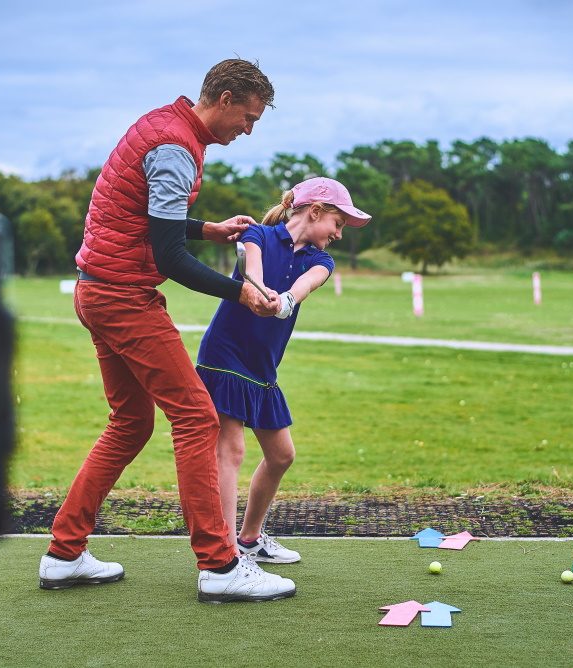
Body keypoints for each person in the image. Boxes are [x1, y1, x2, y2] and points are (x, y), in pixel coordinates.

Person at [39, 58, 297, 604]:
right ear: (224, 99)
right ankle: (220, 565)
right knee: (198, 416)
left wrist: (210, 227)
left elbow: (145, 220)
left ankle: (63, 553)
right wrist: (240, 291)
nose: (248, 130)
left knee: (131, 423)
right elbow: (169, 255)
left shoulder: (164, 125)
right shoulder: (178, 149)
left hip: (97, 290)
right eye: (247, 118)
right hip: (122, 298)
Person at [196, 177, 371, 562]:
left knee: (281, 455)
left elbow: (307, 285)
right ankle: (224, 554)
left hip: (262, 367)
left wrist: (286, 300)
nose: (338, 234)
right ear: (315, 212)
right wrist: (259, 290)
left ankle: (249, 540)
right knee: (231, 450)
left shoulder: (321, 260)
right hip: (225, 356)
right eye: (337, 224)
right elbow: (252, 269)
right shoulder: (258, 234)